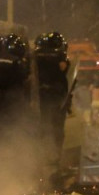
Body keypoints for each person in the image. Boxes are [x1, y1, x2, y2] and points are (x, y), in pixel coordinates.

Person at [34, 32, 70, 161]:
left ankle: (42, 153)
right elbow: (63, 69)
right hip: (57, 96)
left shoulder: (36, 55)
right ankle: (56, 154)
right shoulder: (60, 56)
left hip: (41, 94)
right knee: (57, 126)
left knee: (42, 124)